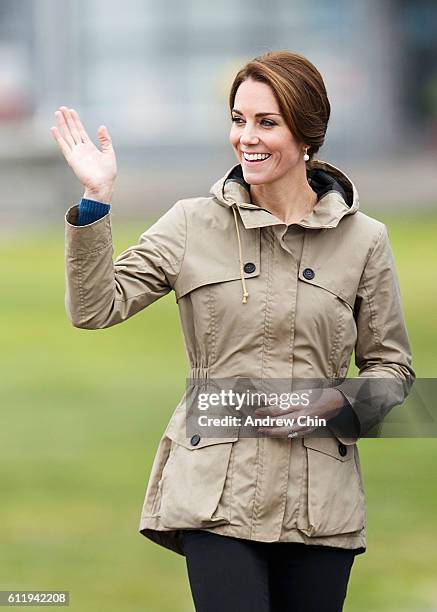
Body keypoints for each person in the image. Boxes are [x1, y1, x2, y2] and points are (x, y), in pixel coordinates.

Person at [51, 50, 415, 612]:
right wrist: (96, 198)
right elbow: (96, 307)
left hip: (321, 504)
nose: (247, 137)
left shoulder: (365, 240)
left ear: (308, 134)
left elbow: (393, 370)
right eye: (238, 119)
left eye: (267, 122)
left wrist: (331, 404)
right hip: (214, 493)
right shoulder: (191, 222)